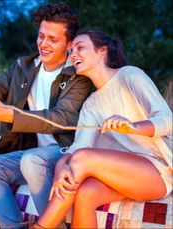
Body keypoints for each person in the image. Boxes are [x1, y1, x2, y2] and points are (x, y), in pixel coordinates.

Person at [0, 3, 93, 228]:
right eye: (41, 36)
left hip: (68, 151)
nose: (44, 44)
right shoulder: (23, 67)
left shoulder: (79, 75)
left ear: (69, 44)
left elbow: (63, 118)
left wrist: (10, 115)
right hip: (32, 153)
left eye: (53, 40)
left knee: (32, 159)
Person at [33, 28, 173, 228]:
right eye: (71, 51)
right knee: (86, 193)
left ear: (102, 50)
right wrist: (60, 166)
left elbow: (166, 119)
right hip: (125, 175)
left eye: (80, 48)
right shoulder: (91, 103)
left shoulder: (129, 75)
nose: (73, 55)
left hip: (159, 170)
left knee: (83, 158)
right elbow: (79, 147)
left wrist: (133, 127)